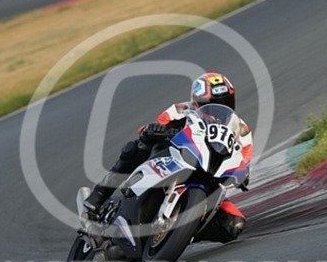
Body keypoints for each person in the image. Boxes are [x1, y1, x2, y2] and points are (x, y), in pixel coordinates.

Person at [83, 72, 253, 243]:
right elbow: (159, 124)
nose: (219, 108)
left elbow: (245, 159)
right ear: (197, 102)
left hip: (211, 176)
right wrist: (155, 130)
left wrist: (242, 174)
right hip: (175, 159)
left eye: (225, 102)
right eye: (212, 104)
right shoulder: (182, 110)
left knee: (233, 224)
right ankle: (97, 198)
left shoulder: (241, 129)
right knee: (135, 148)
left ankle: (181, 233)